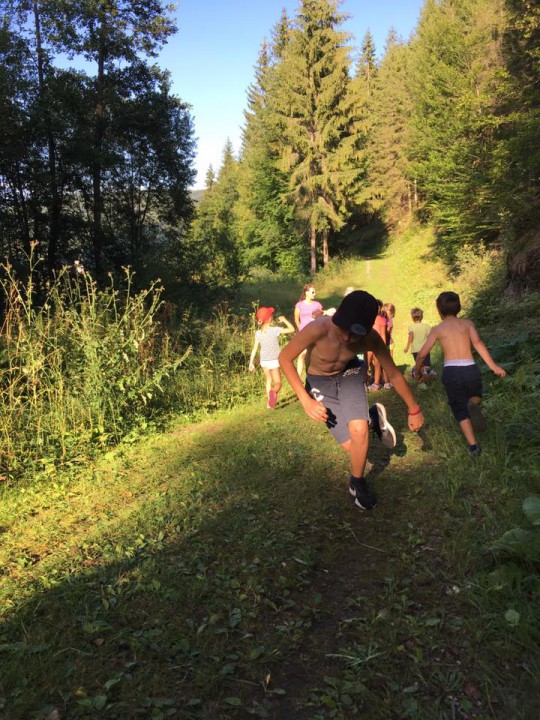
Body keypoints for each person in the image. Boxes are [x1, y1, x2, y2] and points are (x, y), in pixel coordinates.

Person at [279, 290, 425, 510]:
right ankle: (372, 418)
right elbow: (284, 358)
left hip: (350, 373)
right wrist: (305, 399)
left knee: (359, 431)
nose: (347, 338)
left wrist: (414, 409)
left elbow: (394, 374)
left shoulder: (371, 338)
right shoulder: (318, 329)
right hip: (320, 382)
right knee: (352, 446)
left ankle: (357, 483)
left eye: (355, 334)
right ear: (337, 317)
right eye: (344, 329)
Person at [413, 291, 506, 456]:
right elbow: (478, 343)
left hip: (451, 372)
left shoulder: (437, 329)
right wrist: (493, 365)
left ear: (439, 310)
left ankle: (474, 446)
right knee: (475, 395)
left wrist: (417, 370)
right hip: (470, 368)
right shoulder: (467, 324)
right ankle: (473, 404)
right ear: (459, 308)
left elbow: (422, 354)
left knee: (459, 408)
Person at [249, 307, 295, 408]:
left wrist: (251, 363)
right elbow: (292, 329)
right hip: (274, 360)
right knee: (278, 383)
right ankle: (273, 393)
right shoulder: (274, 330)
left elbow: (254, 348)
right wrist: (284, 320)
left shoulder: (258, 333)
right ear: (270, 318)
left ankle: (269, 403)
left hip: (264, 361)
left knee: (268, 380)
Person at [294, 284, 327, 379]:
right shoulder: (299, 305)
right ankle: (298, 377)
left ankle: (314, 375)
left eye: (314, 292)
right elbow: (296, 319)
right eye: (313, 292)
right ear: (306, 293)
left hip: (315, 332)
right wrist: (300, 329)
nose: (314, 294)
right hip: (304, 332)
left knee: (314, 354)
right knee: (302, 354)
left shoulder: (317, 305)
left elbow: (320, 316)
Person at [404, 307, 433, 378]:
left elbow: (411, 336)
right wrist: (431, 345)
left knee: (419, 364)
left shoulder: (411, 327)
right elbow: (430, 337)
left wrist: (407, 347)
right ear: (421, 317)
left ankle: (417, 374)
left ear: (412, 317)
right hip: (425, 349)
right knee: (427, 365)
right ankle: (425, 373)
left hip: (415, 349)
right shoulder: (426, 326)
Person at [367, 299, 387, 391]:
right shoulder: (367, 317)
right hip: (368, 344)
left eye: (379, 307)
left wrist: (383, 346)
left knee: (377, 364)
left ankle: (376, 383)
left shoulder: (382, 320)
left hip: (377, 344)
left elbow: (383, 334)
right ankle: (364, 382)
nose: (377, 309)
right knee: (366, 363)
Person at [382, 303, 396, 389]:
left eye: (385, 310)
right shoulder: (385, 319)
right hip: (386, 343)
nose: (383, 312)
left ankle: (389, 381)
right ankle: (386, 380)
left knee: (388, 363)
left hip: (388, 343)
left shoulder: (389, 321)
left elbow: (386, 333)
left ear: (391, 313)